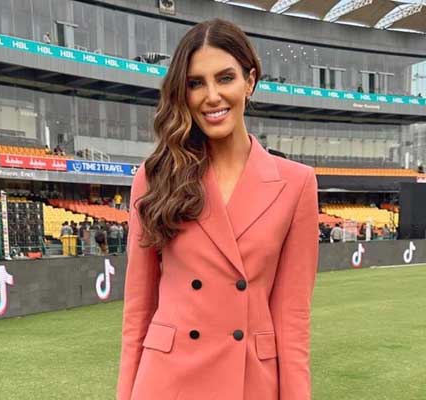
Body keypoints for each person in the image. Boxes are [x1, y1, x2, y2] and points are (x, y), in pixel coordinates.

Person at [117, 19, 319, 400]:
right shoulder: (156, 175)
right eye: (196, 83)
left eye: (225, 78)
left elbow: (292, 320)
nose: (211, 96)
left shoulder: (297, 183)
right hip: (167, 381)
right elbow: (138, 310)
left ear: (250, 82)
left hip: (249, 381)